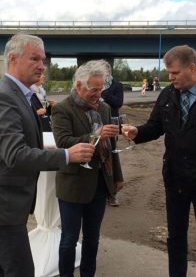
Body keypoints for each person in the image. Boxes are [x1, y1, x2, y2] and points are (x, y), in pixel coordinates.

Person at [122, 45, 196, 277]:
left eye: (175, 73)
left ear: (192, 67)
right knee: (175, 238)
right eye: (169, 73)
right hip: (174, 178)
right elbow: (155, 127)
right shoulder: (168, 94)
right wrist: (137, 133)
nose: (170, 77)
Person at [0, 33, 95, 277]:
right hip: (6, 208)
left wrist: (45, 151)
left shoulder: (21, 94)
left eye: (43, 59)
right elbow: (15, 155)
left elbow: (11, 146)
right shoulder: (6, 95)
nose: (42, 65)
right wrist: (65, 156)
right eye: (35, 59)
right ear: (12, 58)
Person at [51, 59, 124, 277]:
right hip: (73, 184)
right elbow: (63, 142)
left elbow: (110, 146)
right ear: (79, 86)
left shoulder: (104, 107)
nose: (98, 94)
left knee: (93, 239)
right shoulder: (62, 109)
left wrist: (117, 177)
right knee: (69, 240)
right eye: (94, 89)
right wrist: (96, 134)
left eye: (101, 89)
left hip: (100, 184)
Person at [101, 67, 124, 206]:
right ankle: (100, 192)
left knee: (110, 156)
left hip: (111, 123)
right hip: (96, 123)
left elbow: (118, 103)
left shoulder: (117, 85)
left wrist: (104, 94)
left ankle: (112, 194)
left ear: (108, 72)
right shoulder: (93, 83)